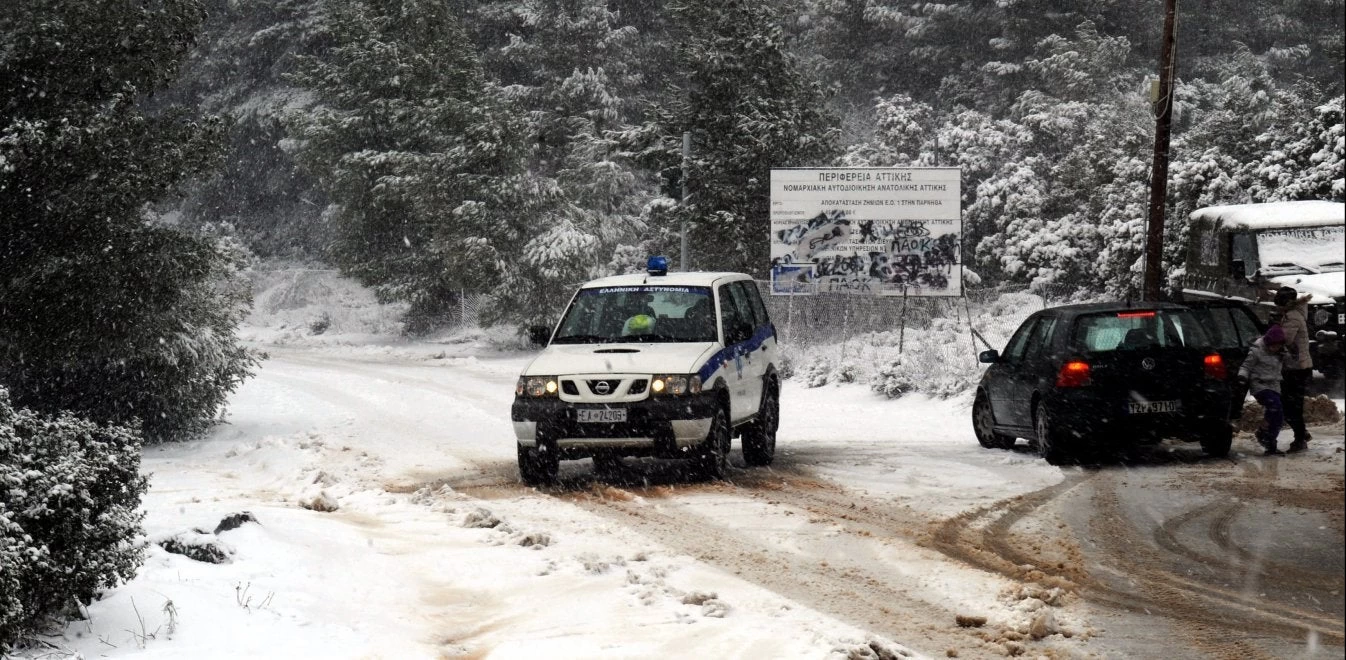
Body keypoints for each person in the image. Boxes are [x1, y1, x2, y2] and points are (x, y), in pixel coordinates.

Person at [1238, 324, 1293, 456]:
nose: (1276, 348)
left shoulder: (1281, 352)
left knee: (1278, 416)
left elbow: (1290, 362)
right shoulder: (1256, 351)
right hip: (1260, 385)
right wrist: (1242, 376)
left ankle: (1269, 441)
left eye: (1279, 345)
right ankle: (1265, 435)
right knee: (1275, 406)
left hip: (1274, 385)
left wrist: (1287, 356)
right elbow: (1246, 366)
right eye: (1274, 345)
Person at [1274, 286, 1314, 452]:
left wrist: (1271, 334)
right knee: (1292, 404)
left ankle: (1300, 437)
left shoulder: (1292, 317)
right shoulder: (1293, 314)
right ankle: (1301, 434)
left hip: (1295, 368)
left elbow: (1285, 340)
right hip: (1297, 367)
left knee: (1290, 405)